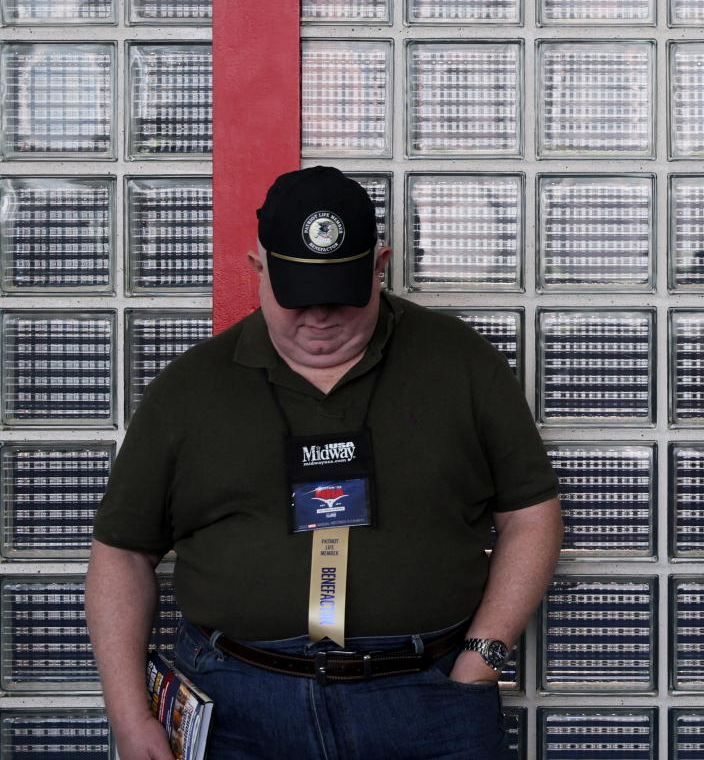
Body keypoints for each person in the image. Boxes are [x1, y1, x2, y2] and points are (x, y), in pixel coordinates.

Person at [86, 166, 562, 760]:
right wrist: (130, 718)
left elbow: (531, 514)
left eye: (341, 294)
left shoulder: (461, 363)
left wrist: (482, 660)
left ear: (380, 265)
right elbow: (123, 554)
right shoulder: (188, 390)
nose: (319, 318)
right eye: (298, 297)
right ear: (258, 270)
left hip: (429, 700)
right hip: (238, 702)